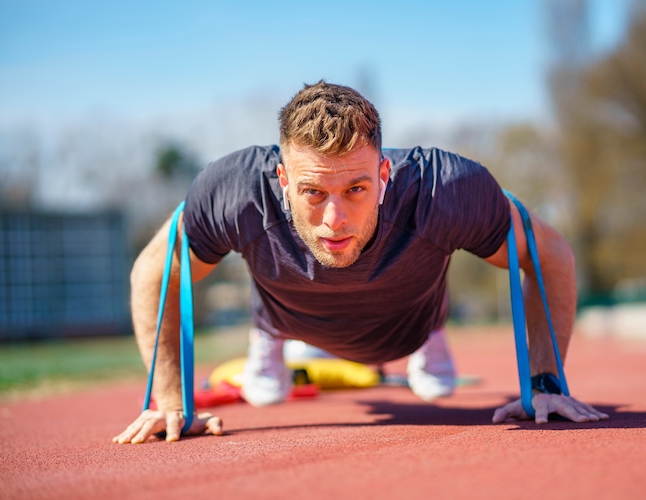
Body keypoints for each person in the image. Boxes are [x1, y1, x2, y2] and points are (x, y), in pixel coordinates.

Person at [113, 81, 608, 445]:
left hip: (408, 323)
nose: (335, 218)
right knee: (265, 394)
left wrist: (544, 382)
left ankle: (434, 332)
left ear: (385, 172)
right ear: (282, 178)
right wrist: (171, 400)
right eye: (312, 191)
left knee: (435, 389)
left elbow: (550, 255)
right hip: (290, 318)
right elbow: (154, 273)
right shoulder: (234, 191)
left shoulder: (445, 191)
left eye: (356, 189)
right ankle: (267, 339)